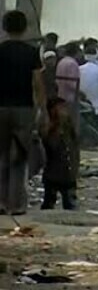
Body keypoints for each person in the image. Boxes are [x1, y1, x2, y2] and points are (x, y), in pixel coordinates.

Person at [0, 11, 45, 215]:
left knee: (1, 155)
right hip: (23, 109)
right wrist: (43, 110)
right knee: (19, 157)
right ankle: (16, 204)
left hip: (1, 108)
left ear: (4, 27)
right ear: (25, 28)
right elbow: (37, 83)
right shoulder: (32, 53)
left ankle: (1, 202)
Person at [40, 97, 79, 210]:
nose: (63, 111)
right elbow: (49, 145)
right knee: (49, 203)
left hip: (68, 173)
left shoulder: (69, 127)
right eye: (60, 108)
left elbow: (74, 147)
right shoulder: (48, 128)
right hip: (52, 174)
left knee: (70, 204)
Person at [56, 42, 82, 129]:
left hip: (60, 95)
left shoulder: (61, 62)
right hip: (70, 97)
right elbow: (72, 83)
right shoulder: (73, 63)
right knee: (73, 123)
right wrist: (81, 92)